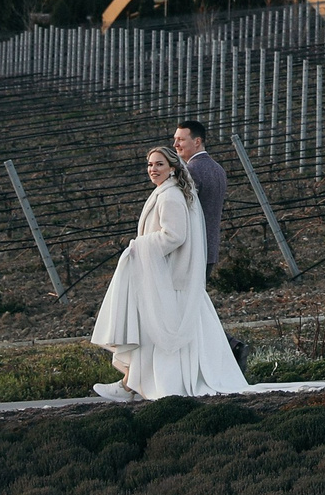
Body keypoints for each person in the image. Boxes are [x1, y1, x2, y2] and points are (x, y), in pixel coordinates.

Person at [87, 147, 249, 400]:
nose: (153, 169)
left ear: (173, 167)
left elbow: (174, 236)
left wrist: (138, 246)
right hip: (167, 276)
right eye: (150, 164)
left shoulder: (170, 196)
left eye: (159, 164)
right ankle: (135, 383)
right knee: (167, 334)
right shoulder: (166, 192)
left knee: (156, 333)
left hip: (167, 278)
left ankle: (135, 385)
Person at [173, 118, 227, 274]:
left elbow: (181, 210)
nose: (175, 145)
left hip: (192, 251)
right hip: (210, 249)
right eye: (175, 139)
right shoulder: (218, 169)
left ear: (197, 141)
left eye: (181, 140)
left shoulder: (191, 171)